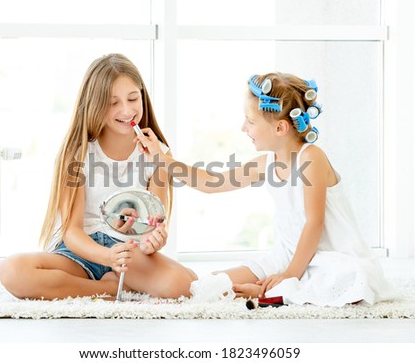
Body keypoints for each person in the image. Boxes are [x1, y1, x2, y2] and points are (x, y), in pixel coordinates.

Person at [136, 72, 396, 306]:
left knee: (353, 279)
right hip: (284, 256)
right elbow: (211, 182)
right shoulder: (266, 163)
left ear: (280, 128)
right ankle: (272, 291)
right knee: (210, 285)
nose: (243, 127)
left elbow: (314, 224)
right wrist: (163, 160)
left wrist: (288, 277)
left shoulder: (311, 157)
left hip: (327, 257)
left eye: (250, 121)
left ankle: (269, 292)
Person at [0, 53, 197, 300]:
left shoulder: (157, 154)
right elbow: (72, 232)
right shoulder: (79, 154)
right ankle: (111, 288)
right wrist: (106, 257)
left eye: (133, 98)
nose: (126, 110)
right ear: (95, 105)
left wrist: (152, 242)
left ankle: (110, 283)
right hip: (81, 253)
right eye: (113, 103)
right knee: (13, 271)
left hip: (129, 253)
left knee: (183, 285)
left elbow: (153, 224)